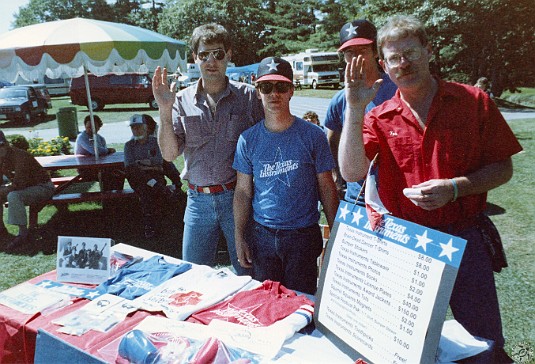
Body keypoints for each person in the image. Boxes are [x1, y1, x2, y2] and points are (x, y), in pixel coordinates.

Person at [338, 15, 522, 361]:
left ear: (428, 50)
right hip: (405, 246)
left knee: (484, 344)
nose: (403, 64)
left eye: (410, 53)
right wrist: (355, 107)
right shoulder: (379, 116)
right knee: (404, 347)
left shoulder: (473, 101)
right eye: (394, 58)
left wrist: (455, 188)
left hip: (464, 239)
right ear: (384, 66)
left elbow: (503, 168)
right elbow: (351, 172)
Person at [152, 23, 264, 274]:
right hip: (197, 201)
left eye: (218, 53)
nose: (211, 61)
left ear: (229, 55)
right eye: (204, 55)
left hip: (236, 198)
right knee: (192, 276)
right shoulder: (180, 100)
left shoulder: (249, 98)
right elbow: (169, 154)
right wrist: (164, 111)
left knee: (247, 273)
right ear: (195, 57)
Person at [233, 57, 339, 294]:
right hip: (262, 236)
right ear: (257, 90)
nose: (274, 94)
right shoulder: (248, 139)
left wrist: (336, 234)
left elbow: (327, 187)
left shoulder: (313, 135)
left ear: (291, 90)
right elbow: (242, 191)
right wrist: (240, 236)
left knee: (301, 305)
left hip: (302, 237)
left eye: (281, 87)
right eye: (266, 87)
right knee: (266, 304)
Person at [324, 19, 397, 203]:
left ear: (374, 51)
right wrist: (338, 179)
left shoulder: (398, 89)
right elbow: (331, 143)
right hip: (357, 199)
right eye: (350, 52)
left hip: (395, 196)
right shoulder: (340, 99)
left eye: (362, 50)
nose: (356, 58)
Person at [0, 131, 55, 251]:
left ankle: (22, 234)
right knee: (10, 194)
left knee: (14, 196)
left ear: (6, 144)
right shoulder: (2, 159)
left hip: (44, 187)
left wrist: (4, 190)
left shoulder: (20, 156)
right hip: (27, 188)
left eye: (1, 145)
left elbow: (18, 185)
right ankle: (1, 230)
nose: (0, 149)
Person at [124, 114, 172, 239]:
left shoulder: (155, 142)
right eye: (133, 128)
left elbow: (159, 162)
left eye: (139, 127)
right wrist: (150, 167)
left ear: (146, 128)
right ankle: (150, 225)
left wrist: (144, 164)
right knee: (146, 190)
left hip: (155, 176)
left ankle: (157, 223)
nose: (136, 130)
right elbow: (131, 167)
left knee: (153, 191)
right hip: (138, 178)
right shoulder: (128, 146)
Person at [75, 115, 124, 191]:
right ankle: (108, 199)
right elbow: (95, 151)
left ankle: (118, 196)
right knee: (109, 175)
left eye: (94, 127)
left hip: (100, 167)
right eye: (88, 127)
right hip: (85, 169)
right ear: (85, 126)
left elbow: (104, 155)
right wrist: (108, 150)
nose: (91, 129)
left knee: (120, 171)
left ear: (99, 127)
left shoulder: (100, 138)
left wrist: (106, 151)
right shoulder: (82, 137)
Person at [143, 114, 185, 197]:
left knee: (165, 162)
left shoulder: (159, 131)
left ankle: (176, 183)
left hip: (158, 158)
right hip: (145, 163)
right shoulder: (138, 135)